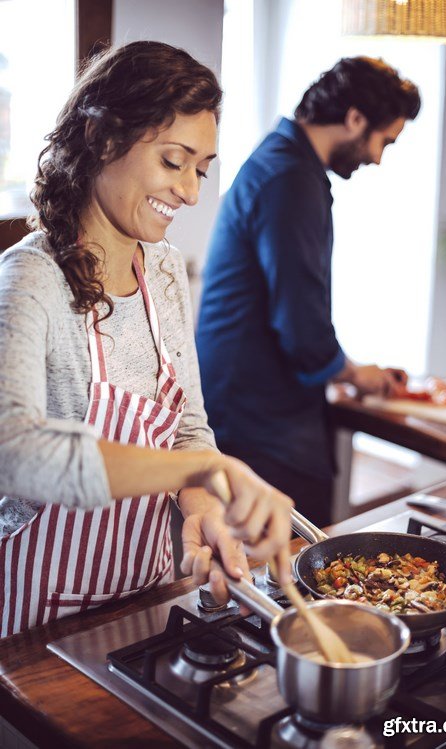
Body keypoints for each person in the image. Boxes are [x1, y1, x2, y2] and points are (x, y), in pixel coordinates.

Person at [0, 41, 293, 638]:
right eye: (173, 160)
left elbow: (186, 422)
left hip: (143, 592)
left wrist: (200, 503)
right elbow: (16, 454)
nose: (190, 191)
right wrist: (210, 470)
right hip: (34, 621)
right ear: (102, 138)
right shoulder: (28, 279)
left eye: (202, 169)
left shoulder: (161, 268)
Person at [197, 56, 421, 527]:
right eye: (385, 140)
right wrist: (356, 373)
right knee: (292, 556)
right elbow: (300, 321)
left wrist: (347, 369)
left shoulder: (282, 159)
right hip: (259, 411)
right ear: (355, 119)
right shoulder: (291, 177)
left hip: (241, 397)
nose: (378, 156)